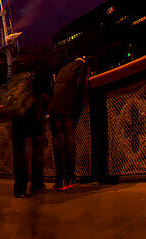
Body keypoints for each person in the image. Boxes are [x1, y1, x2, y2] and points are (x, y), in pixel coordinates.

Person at [8, 45, 54, 198]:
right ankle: (37, 184)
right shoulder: (42, 71)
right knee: (37, 151)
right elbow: (44, 95)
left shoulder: (19, 73)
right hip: (33, 116)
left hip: (17, 116)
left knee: (20, 154)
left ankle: (19, 189)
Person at [49, 56, 90, 190]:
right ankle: (70, 179)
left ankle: (59, 180)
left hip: (54, 108)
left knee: (58, 145)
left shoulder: (63, 68)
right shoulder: (82, 67)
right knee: (69, 143)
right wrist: (78, 107)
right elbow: (81, 86)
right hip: (67, 108)